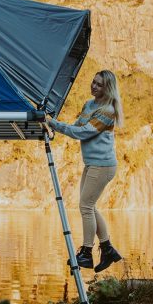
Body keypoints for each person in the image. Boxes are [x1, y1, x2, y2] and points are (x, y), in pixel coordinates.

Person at [46, 70, 123, 273]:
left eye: (98, 84)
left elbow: (83, 133)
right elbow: (76, 126)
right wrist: (54, 126)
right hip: (92, 164)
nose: (93, 86)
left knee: (86, 206)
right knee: (90, 206)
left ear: (107, 88)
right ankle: (107, 249)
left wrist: (53, 123)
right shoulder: (89, 105)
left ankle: (86, 253)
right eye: (93, 81)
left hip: (103, 165)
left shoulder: (108, 111)